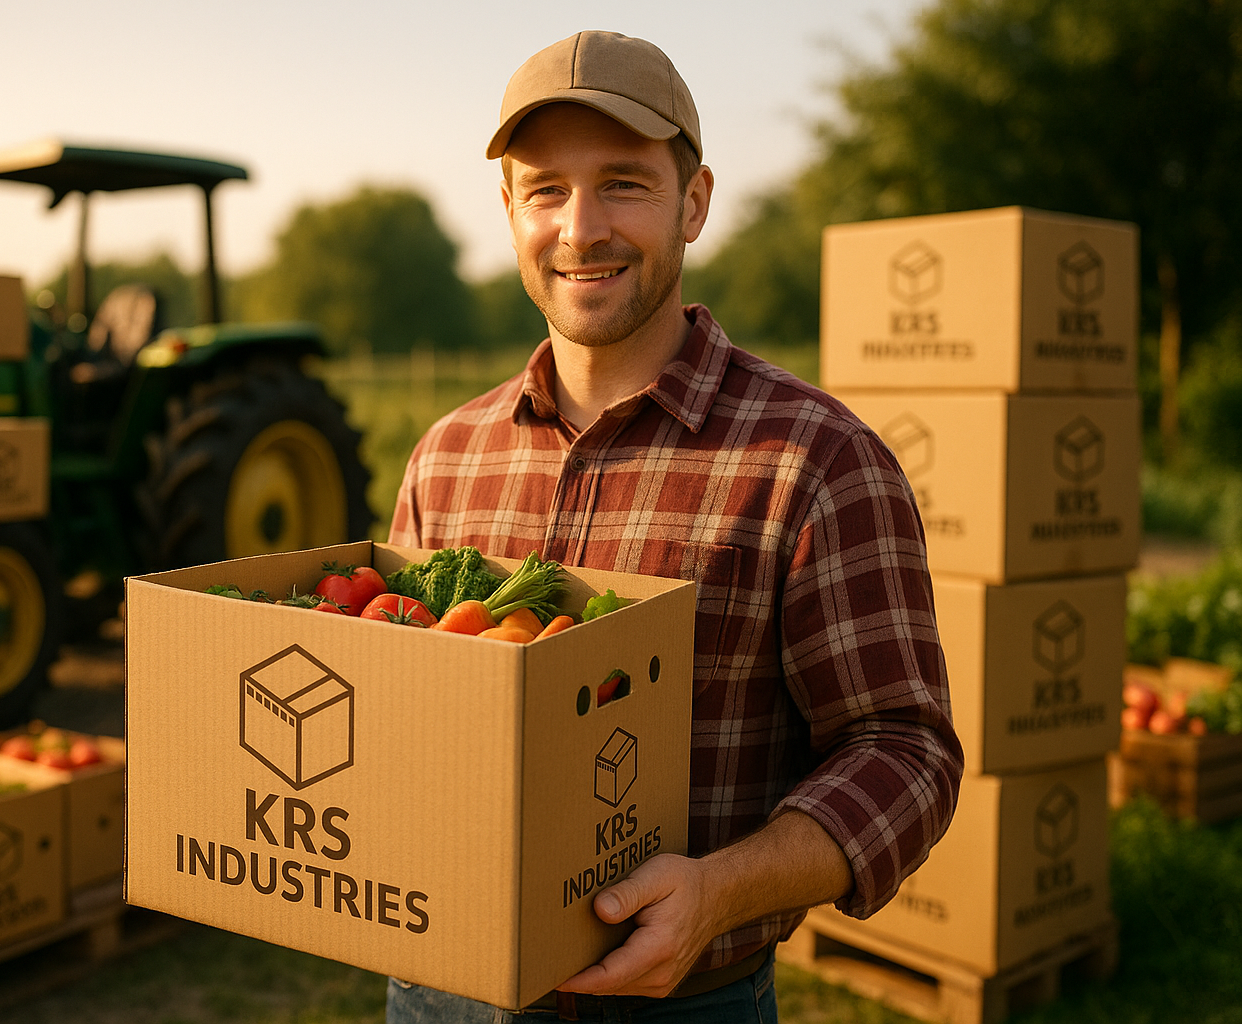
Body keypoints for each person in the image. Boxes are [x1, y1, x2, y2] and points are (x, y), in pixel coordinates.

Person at [385, 30, 964, 1023]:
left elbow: (905, 752)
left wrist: (718, 894)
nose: (580, 228)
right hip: (440, 987)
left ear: (694, 202)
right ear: (510, 210)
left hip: (683, 1003)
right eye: (545, 191)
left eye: (623, 184)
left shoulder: (814, 462)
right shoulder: (448, 454)